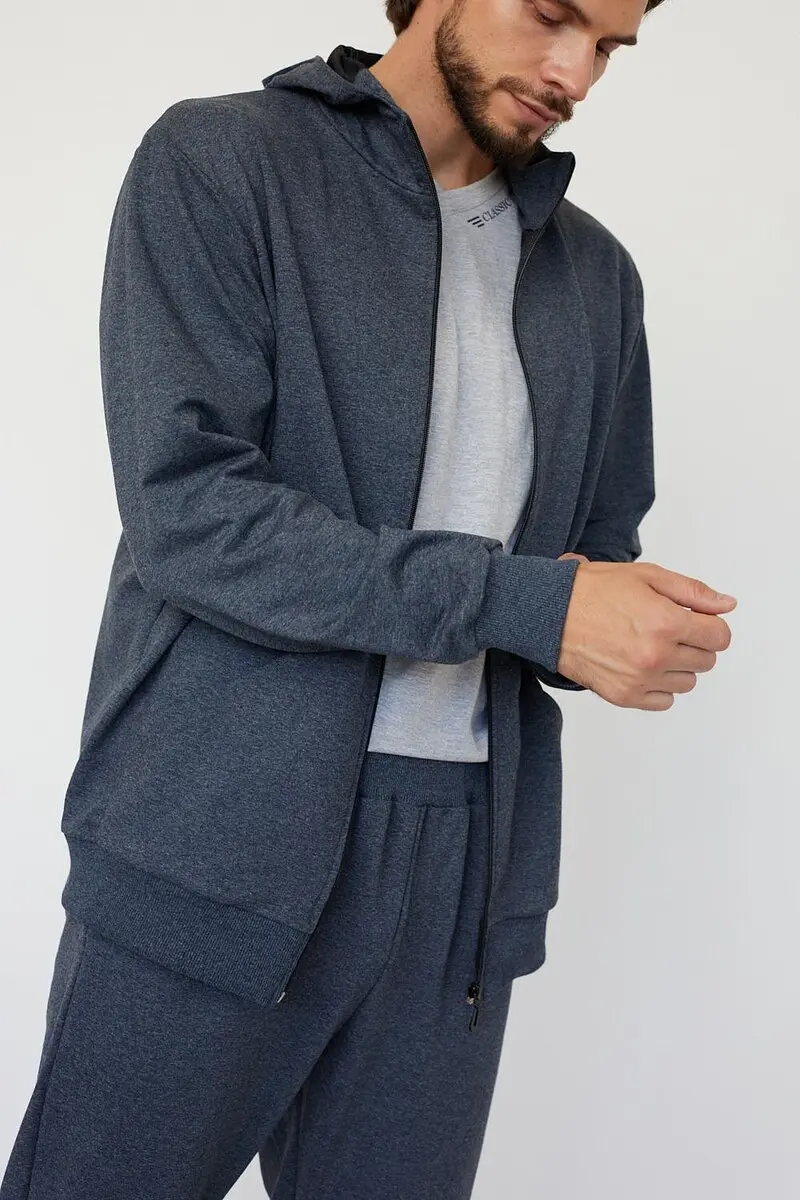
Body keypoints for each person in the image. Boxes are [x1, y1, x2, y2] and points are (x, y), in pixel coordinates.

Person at [1, 2, 737, 1197]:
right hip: (211, 836)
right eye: (552, 15)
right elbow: (193, 518)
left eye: (608, 46)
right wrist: (527, 606)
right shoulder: (223, 162)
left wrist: (618, 626)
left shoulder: (594, 277)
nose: (574, 72)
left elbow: (585, 558)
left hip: (461, 871)